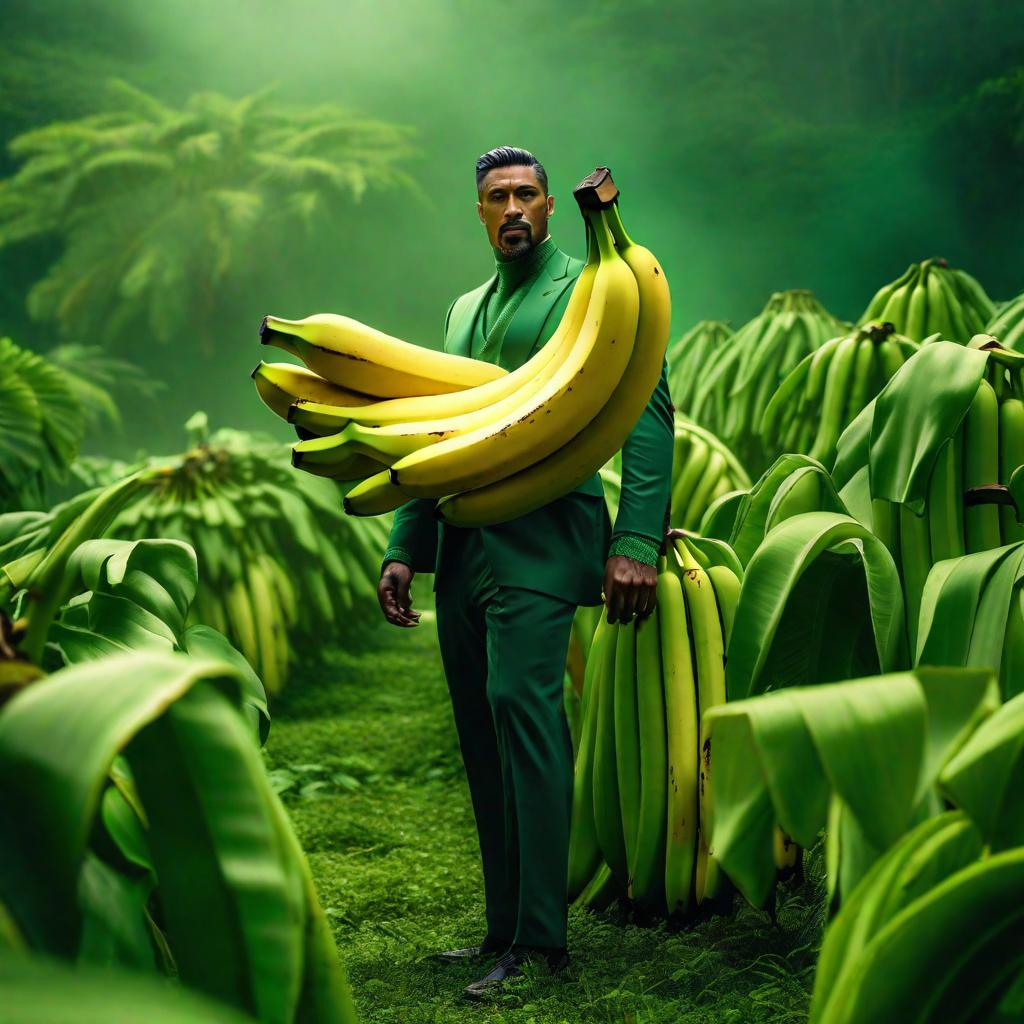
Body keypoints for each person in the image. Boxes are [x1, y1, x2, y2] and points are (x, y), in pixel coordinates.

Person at [376, 145, 673, 1000]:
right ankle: (500, 928)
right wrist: (406, 545)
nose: (513, 207)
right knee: (481, 731)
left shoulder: (598, 288)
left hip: (546, 538)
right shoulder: (464, 309)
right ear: (479, 213)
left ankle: (542, 944)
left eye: (527, 195)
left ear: (549, 207)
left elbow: (648, 412)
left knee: (527, 719)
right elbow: (435, 433)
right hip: (464, 544)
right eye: (497, 196)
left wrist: (637, 542)